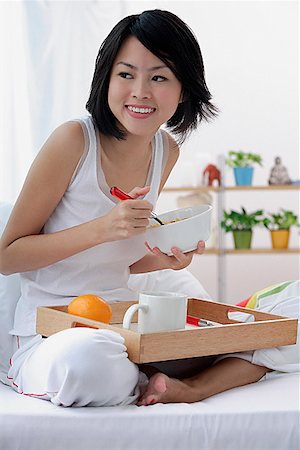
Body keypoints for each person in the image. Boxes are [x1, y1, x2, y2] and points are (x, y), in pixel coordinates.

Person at [0, 9, 282, 408]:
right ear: (107, 79)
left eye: (159, 77)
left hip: (125, 321)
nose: (141, 91)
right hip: (53, 331)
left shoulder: (165, 149)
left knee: (273, 331)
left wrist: (166, 261)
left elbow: (117, 263)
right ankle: (155, 374)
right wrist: (103, 227)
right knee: (91, 362)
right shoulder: (73, 141)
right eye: (127, 74)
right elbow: (8, 256)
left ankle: (171, 378)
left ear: (183, 89)